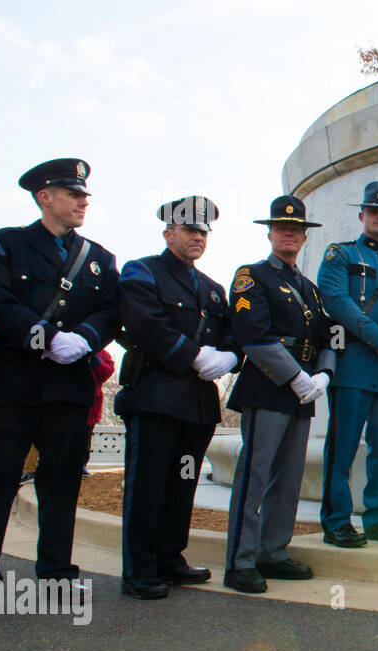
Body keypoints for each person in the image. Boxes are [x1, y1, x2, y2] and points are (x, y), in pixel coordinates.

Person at [0, 158, 120, 596]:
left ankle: (55, 570)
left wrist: (84, 338)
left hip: (69, 385)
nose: (83, 202)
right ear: (45, 197)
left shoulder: (100, 259)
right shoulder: (4, 244)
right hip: (13, 381)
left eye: (84, 195)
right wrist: (43, 336)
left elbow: (111, 311)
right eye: (73, 194)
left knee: (62, 479)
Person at [114, 196, 238, 599]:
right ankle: (140, 569)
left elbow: (233, 333)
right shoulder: (143, 272)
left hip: (197, 407)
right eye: (190, 230)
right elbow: (144, 324)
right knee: (148, 484)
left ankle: (170, 557)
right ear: (169, 233)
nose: (198, 237)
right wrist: (194, 355)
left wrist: (230, 355)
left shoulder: (213, 289)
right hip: (156, 399)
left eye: (204, 232)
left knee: (183, 483)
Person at [223, 196, 335, 593]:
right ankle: (240, 561)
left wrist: (323, 375)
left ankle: (273, 552)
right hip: (268, 387)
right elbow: (251, 334)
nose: (290, 233)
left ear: (304, 237)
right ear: (270, 233)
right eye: (282, 227)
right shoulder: (251, 276)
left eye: (297, 229)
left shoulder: (310, 290)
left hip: (303, 393)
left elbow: (329, 337)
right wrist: (294, 376)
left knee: (288, 480)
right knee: (254, 477)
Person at [316, 181, 378, 548]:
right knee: (342, 448)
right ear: (362, 215)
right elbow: (336, 301)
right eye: (374, 211)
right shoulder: (339, 255)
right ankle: (336, 520)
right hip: (353, 363)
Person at [84, 349, 115, 475]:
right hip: (68, 400)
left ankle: (81, 464)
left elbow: (105, 373)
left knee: (85, 437)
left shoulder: (103, 354)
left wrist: (95, 360)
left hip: (91, 403)